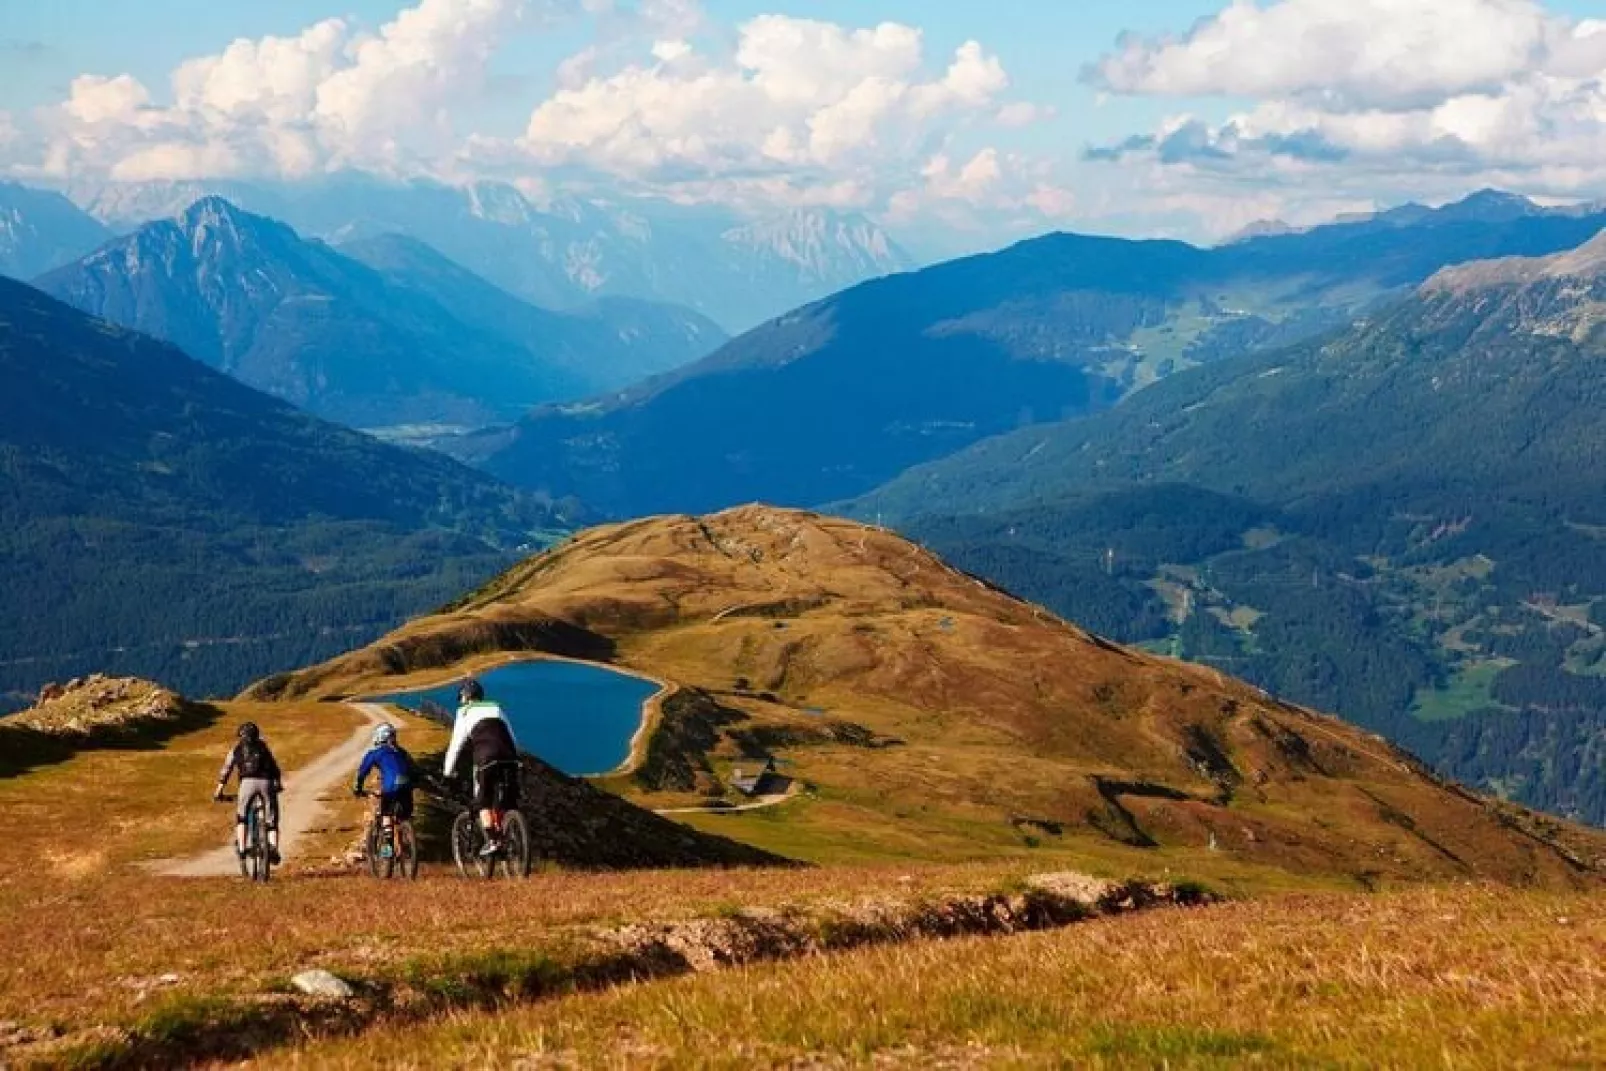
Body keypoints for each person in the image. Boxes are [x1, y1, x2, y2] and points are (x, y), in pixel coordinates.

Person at [443, 678, 521, 856]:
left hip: (486, 757)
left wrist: (448, 772)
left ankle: (493, 841)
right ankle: (508, 833)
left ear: (466, 698)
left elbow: (456, 745)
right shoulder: (496, 708)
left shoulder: (464, 712)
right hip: (509, 757)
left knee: (482, 801)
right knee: (506, 799)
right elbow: (512, 737)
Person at [215, 722, 283, 864]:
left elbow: (227, 770)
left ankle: (241, 850)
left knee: (242, 817)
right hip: (266, 782)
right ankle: (274, 849)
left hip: (247, 784)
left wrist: (219, 790)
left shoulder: (236, 749)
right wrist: (277, 783)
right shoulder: (263, 747)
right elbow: (274, 766)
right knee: (271, 820)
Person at [352, 723, 417, 858]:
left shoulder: (375, 753)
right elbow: (414, 768)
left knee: (386, 816)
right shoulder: (402, 751)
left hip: (390, 788)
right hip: (407, 787)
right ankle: (406, 844)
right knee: (404, 816)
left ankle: (387, 852)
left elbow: (362, 772)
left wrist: (357, 788)